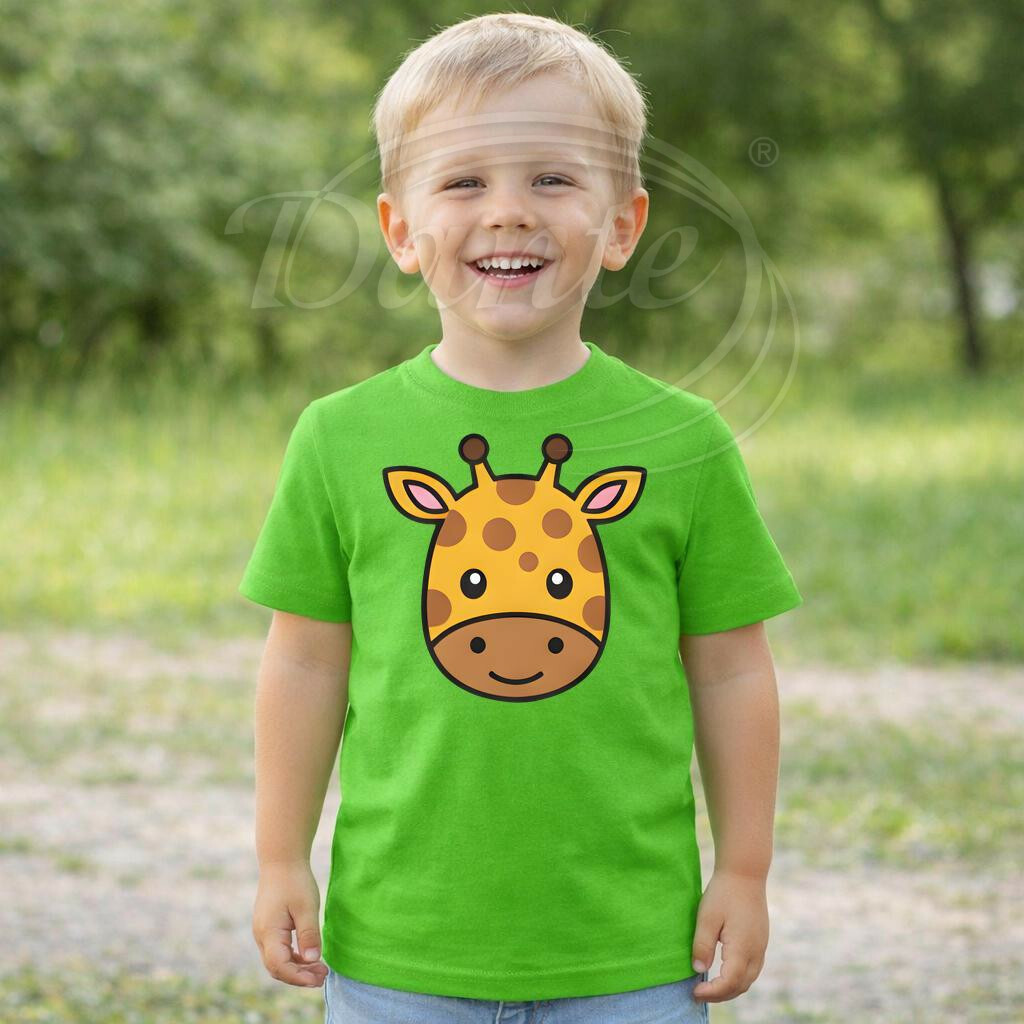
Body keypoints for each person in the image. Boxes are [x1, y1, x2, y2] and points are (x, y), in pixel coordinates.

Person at [240, 12, 802, 1023]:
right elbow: (307, 663)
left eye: (551, 178)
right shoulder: (339, 437)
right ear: (399, 230)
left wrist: (745, 869)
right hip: (399, 953)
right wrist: (280, 856)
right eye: (463, 182)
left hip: (632, 955)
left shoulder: (685, 440)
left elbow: (729, 669)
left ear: (621, 225)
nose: (508, 213)